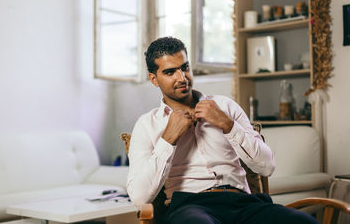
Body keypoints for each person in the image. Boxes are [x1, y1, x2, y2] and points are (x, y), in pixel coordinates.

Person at [126, 36, 318, 224]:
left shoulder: (225, 106)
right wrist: (168, 139)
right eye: (170, 72)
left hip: (244, 203)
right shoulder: (147, 125)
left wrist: (228, 125)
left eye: (185, 67)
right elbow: (139, 197)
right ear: (154, 79)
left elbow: (267, 166)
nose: (182, 77)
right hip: (190, 207)